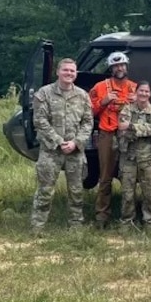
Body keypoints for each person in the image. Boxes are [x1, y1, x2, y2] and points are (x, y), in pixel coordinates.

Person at [30, 58, 93, 233]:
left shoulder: (82, 96)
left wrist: (76, 142)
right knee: (45, 190)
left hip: (75, 151)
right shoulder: (44, 94)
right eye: (66, 70)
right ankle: (37, 227)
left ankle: (76, 226)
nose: (69, 74)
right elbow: (40, 121)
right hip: (51, 151)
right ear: (58, 72)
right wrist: (58, 141)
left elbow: (88, 122)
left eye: (72, 71)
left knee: (76, 191)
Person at [88, 51, 137, 227]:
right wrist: (103, 102)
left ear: (127, 66)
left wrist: (137, 103)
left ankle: (128, 217)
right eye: (116, 65)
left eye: (122, 65)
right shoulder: (100, 87)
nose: (120, 68)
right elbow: (89, 112)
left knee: (129, 176)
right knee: (105, 176)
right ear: (111, 68)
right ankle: (102, 216)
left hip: (129, 137)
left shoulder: (134, 87)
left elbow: (145, 112)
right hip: (107, 135)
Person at [117, 81, 151, 233]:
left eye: (146, 91)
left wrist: (131, 126)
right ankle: (126, 221)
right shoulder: (126, 109)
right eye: (141, 91)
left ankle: (149, 222)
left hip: (148, 158)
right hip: (129, 157)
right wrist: (140, 129)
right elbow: (121, 129)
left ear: (150, 94)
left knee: (149, 193)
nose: (143, 94)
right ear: (136, 92)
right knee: (127, 193)